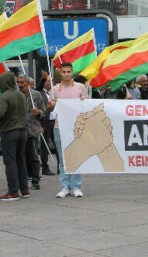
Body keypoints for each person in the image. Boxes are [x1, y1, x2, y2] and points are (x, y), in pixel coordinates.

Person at [47, 62, 88, 198]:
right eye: (64, 72)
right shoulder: (55, 89)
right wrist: (51, 104)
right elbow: (49, 108)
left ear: (72, 72)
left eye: (68, 72)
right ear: (60, 72)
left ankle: (76, 186)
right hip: (60, 127)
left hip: (76, 127)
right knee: (63, 158)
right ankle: (65, 186)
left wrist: (83, 101)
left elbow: (87, 106)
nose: (66, 74)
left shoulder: (80, 87)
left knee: (76, 157)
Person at [0, 71, 29, 201]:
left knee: (10, 162)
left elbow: (0, 114)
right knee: (21, 160)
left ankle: (12, 192)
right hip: (23, 131)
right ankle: (24, 189)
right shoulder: (21, 95)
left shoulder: (5, 96)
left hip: (10, 132)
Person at [18, 75, 47, 190]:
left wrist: (38, 112)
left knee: (34, 156)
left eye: (22, 82)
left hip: (33, 130)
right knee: (21, 156)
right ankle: (23, 178)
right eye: (18, 82)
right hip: (20, 130)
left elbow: (44, 111)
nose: (20, 85)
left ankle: (35, 179)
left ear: (28, 83)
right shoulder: (16, 95)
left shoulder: (36, 95)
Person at [40, 75, 57, 176]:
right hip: (45, 122)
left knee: (58, 144)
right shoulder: (40, 93)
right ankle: (45, 167)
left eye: (52, 81)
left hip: (55, 122)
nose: (51, 83)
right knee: (45, 146)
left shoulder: (55, 92)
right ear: (44, 82)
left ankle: (61, 167)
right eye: (49, 81)